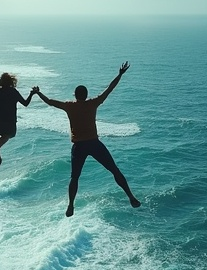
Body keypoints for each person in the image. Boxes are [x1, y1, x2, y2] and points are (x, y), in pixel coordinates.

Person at [33, 61, 140, 216]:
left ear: (75, 95)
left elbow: (49, 102)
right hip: (94, 144)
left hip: (78, 146)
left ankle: (70, 205)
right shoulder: (93, 103)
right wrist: (120, 74)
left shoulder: (69, 106)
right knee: (114, 170)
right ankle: (130, 196)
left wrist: (38, 92)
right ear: (86, 95)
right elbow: (109, 89)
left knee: (74, 177)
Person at [0, 71, 36, 167]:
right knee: (7, 135)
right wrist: (32, 94)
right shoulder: (13, 92)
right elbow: (25, 103)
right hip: (9, 122)